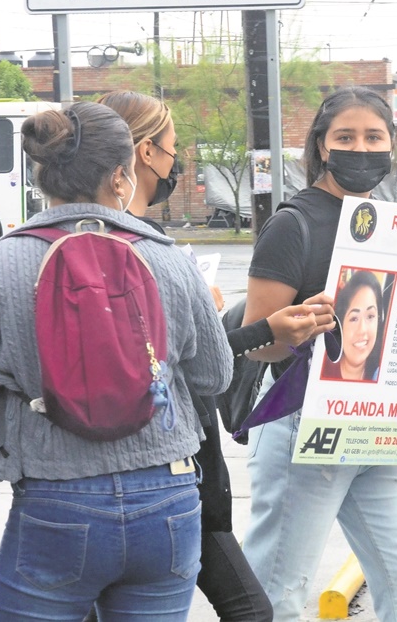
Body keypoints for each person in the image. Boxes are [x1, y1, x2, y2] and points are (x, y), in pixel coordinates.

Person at [0, 101, 233, 620]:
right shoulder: (170, 260)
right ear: (121, 174)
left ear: (45, 176)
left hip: (58, 502)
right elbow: (214, 375)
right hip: (168, 500)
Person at [98, 89, 335, 622]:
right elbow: (199, 369)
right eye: (172, 148)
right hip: (169, 471)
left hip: (97, 477)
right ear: (144, 153)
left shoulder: (62, 243)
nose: (176, 163)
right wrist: (260, 329)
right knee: (250, 608)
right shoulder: (145, 249)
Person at [240, 86, 397, 621]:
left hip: (377, 425)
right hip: (302, 428)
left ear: (391, 145)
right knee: (279, 591)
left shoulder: (393, 223)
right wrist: (294, 330)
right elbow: (255, 343)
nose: (361, 147)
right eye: (346, 137)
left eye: (373, 136)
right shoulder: (293, 224)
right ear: (322, 147)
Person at [319, 269, 385, 382]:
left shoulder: (382, 372)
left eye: (370, 316)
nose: (362, 329)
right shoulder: (320, 367)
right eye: (354, 318)